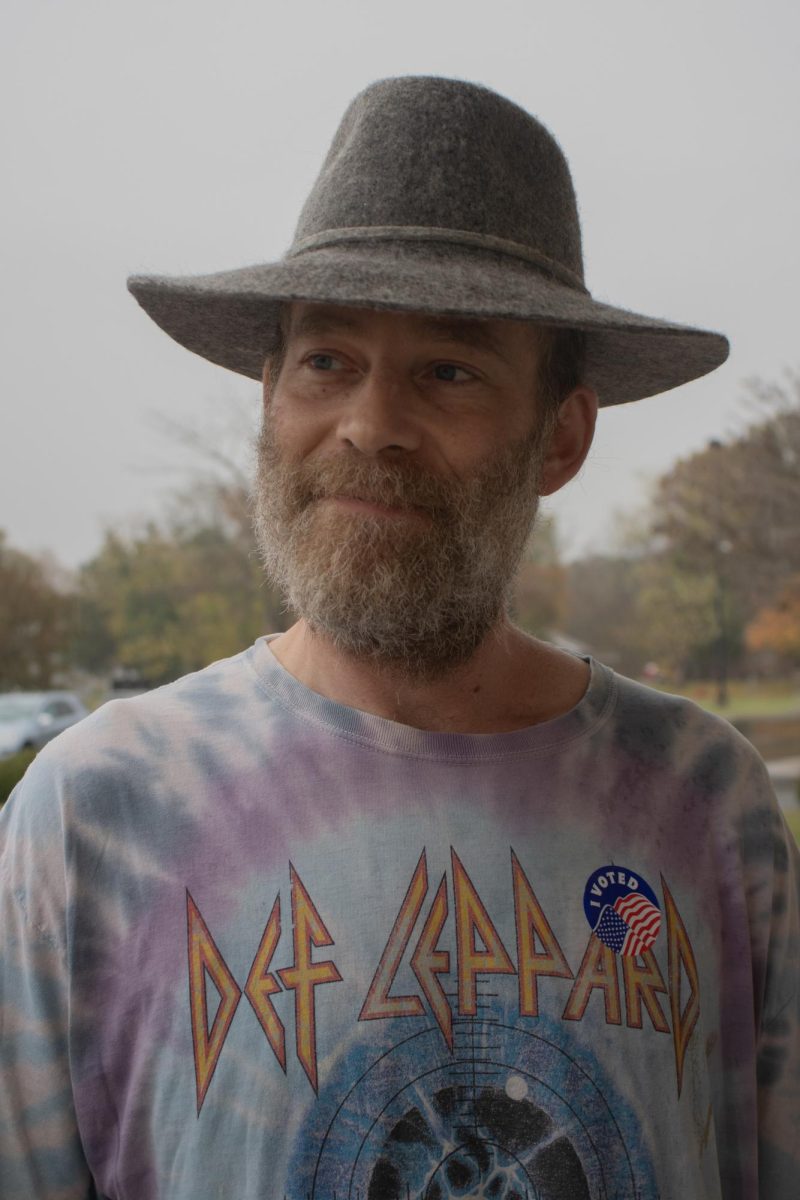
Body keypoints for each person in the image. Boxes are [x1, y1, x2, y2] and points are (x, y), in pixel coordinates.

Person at [0, 76, 797, 1200]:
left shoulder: (701, 802)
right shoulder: (94, 815)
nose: (372, 426)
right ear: (269, 395)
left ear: (559, 438)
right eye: (327, 360)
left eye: (448, 371)